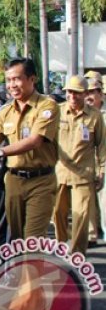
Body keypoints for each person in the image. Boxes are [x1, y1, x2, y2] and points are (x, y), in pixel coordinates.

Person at [0, 58, 59, 240]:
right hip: (13, 181)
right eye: (8, 80)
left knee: (32, 240)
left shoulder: (47, 106)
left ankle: (31, 268)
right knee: (17, 241)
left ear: (32, 79)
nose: (12, 85)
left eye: (17, 79)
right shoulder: (6, 111)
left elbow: (34, 141)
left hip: (41, 181)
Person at [53, 76, 106, 255]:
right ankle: (62, 243)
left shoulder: (95, 116)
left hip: (84, 175)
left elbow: (102, 146)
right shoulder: (57, 112)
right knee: (57, 213)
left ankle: (77, 255)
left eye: (77, 93)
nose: (72, 96)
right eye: (69, 92)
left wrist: (102, 172)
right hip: (59, 173)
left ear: (85, 94)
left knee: (81, 217)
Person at [86, 75, 106, 240]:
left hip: (103, 162)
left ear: (101, 93)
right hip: (86, 164)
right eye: (86, 92)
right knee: (88, 204)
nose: (89, 96)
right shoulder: (83, 114)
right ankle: (91, 235)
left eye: (92, 92)